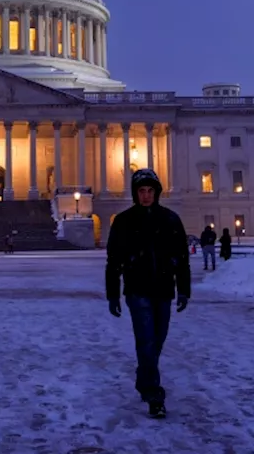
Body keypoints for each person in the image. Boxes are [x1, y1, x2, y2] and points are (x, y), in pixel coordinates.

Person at [105, 168, 190, 419]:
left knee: (158, 339)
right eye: (141, 191)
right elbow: (113, 260)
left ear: (156, 192)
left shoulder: (171, 219)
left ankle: (144, 377)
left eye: (150, 191)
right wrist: (113, 294)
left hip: (163, 289)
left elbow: (182, 258)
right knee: (146, 341)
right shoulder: (123, 221)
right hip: (137, 289)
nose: (145, 195)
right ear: (135, 193)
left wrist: (184, 290)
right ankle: (154, 395)